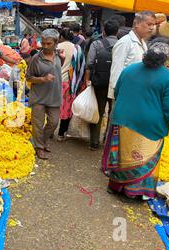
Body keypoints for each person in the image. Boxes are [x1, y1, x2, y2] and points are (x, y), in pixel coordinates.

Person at [102, 37, 169, 201]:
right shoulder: (168, 77)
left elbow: (117, 92)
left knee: (122, 156)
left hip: (122, 119)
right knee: (142, 157)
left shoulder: (129, 69)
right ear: (166, 58)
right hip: (149, 126)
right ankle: (137, 191)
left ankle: (116, 186)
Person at [26, 29, 63, 160]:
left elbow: (58, 69)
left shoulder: (59, 56)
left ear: (56, 43)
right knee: (38, 124)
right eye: (44, 43)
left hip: (54, 95)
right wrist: (42, 79)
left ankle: (42, 141)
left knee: (53, 122)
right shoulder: (36, 58)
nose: (45, 46)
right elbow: (28, 78)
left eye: (49, 43)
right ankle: (39, 147)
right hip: (39, 97)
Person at [85, 20, 119, 150]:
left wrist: (88, 81)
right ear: (117, 32)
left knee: (97, 111)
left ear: (104, 31)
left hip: (99, 83)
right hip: (116, 84)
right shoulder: (122, 44)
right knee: (113, 113)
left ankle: (94, 142)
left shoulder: (97, 43)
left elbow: (90, 64)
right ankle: (109, 141)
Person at [108, 11, 156, 101]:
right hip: (125, 92)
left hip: (137, 91)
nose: (152, 28)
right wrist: (117, 94)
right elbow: (116, 70)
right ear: (137, 24)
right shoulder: (125, 42)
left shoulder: (143, 43)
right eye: (149, 24)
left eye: (153, 25)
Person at [57, 28, 86, 141]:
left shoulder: (57, 47)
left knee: (52, 107)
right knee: (66, 108)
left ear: (61, 37)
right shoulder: (77, 48)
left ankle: (49, 131)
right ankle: (61, 133)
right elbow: (81, 67)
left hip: (55, 81)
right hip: (70, 83)